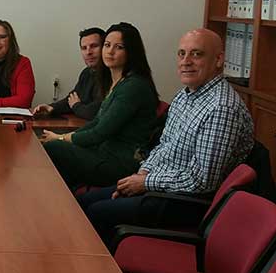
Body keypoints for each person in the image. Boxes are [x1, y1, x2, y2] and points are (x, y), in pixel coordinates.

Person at [78, 28, 255, 242]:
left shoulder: (221, 108)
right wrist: (142, 174)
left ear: (218, 60)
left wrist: (146, 183)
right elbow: (163, 146)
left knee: (97, 211)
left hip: (182, 200)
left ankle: (102, 272)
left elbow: (202, 181)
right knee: (84, 201)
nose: (186, 61)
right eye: (182, 54)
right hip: (159, 184)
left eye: (196, 54)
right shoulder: (185, 95)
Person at [40, 22, 159, 189]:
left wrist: (61, 138)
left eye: (119, 47)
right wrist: (68, 137)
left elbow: (99, 132)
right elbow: (96, 121)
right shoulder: (117, 82)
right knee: (55, 151)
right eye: (107, 45)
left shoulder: (134, 86)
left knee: (53, 148)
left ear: (131, 52)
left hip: (121, 163)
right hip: (103, 153)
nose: (110, 51)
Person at [32, 27, 104, 120]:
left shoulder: (113, 75)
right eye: (84, 48)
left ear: (104, 47)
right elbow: (71, 100)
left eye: (94, 46)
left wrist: (76, 106)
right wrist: (51, 107)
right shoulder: (86, 73)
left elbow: (96, 112)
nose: (88, 52)